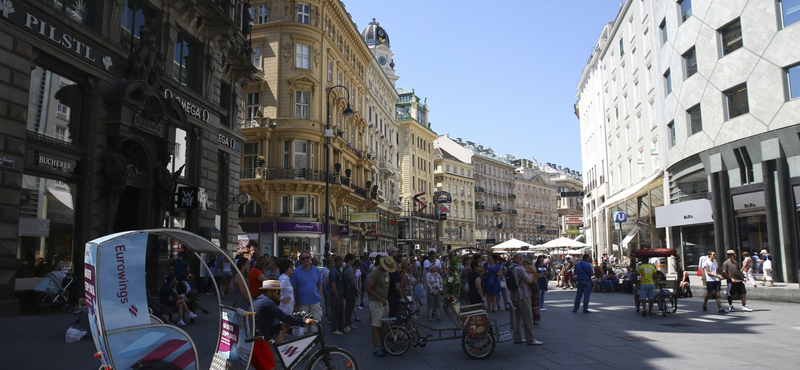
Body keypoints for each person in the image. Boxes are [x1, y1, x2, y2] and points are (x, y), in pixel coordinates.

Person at [251, 279, 316, 370]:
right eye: (277, 292)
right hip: (258, 342)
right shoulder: (267, 302)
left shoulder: (260, 300)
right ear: (269, 292)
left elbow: (263, 325)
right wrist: (303, 322)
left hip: (253, 340)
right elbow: (284, 317)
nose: (280, 295)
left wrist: (280, 327)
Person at [366, 256, 397, 357]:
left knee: (383, 324)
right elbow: (368, 288)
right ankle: (375, 348)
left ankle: (382, 345)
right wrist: (380, 298)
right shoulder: (375, 272)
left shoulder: (385, 272)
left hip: (384, 301)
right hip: (376, 302)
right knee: (376, 324)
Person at [508, 253, 542, 345]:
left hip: (514, 296)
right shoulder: (519, 268)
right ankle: (530, 339)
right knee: (527, 317)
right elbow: (529, 280)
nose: (523, 261)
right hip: (523, 295)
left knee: (517, 318)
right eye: (523, 259)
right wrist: (531, 275)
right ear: (520, 259)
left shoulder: (510, 267)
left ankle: (517, 337)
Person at [291, 251, 324, 333]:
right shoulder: (296, 272)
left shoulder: (316, 270)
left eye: (307, 257)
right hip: (302, 302)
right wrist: (294, 304)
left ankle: (318, 343)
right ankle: (305, 343)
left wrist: (319, 295)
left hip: (315, 301)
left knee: (316, 324)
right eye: (303, 258)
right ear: (300, 260)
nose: (305, 259)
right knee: (303, 326)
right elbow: (293, 288)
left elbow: (320, 284)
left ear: (310, 258)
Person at [328, 256, 346, 334]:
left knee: (340, 311)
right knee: (335, 311)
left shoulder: (338, 270)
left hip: (340, 292)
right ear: (335, 262)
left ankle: (340, 327)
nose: (341, 263)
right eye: (339, 262)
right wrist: (336, 294)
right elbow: (332, 282)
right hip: (336, 294)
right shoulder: (334, 271)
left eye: (341, 262)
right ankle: (334, 328)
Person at [342, 254, 359, 332]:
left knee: (350, 307)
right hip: (350, 290)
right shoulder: (348, 269)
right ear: (350, 260)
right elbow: (352, 281)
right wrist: (356, 290)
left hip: (348, 289)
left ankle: (349, 323)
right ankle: (347, 324)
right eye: (353, 260)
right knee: (349, 307)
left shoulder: (346, 267)